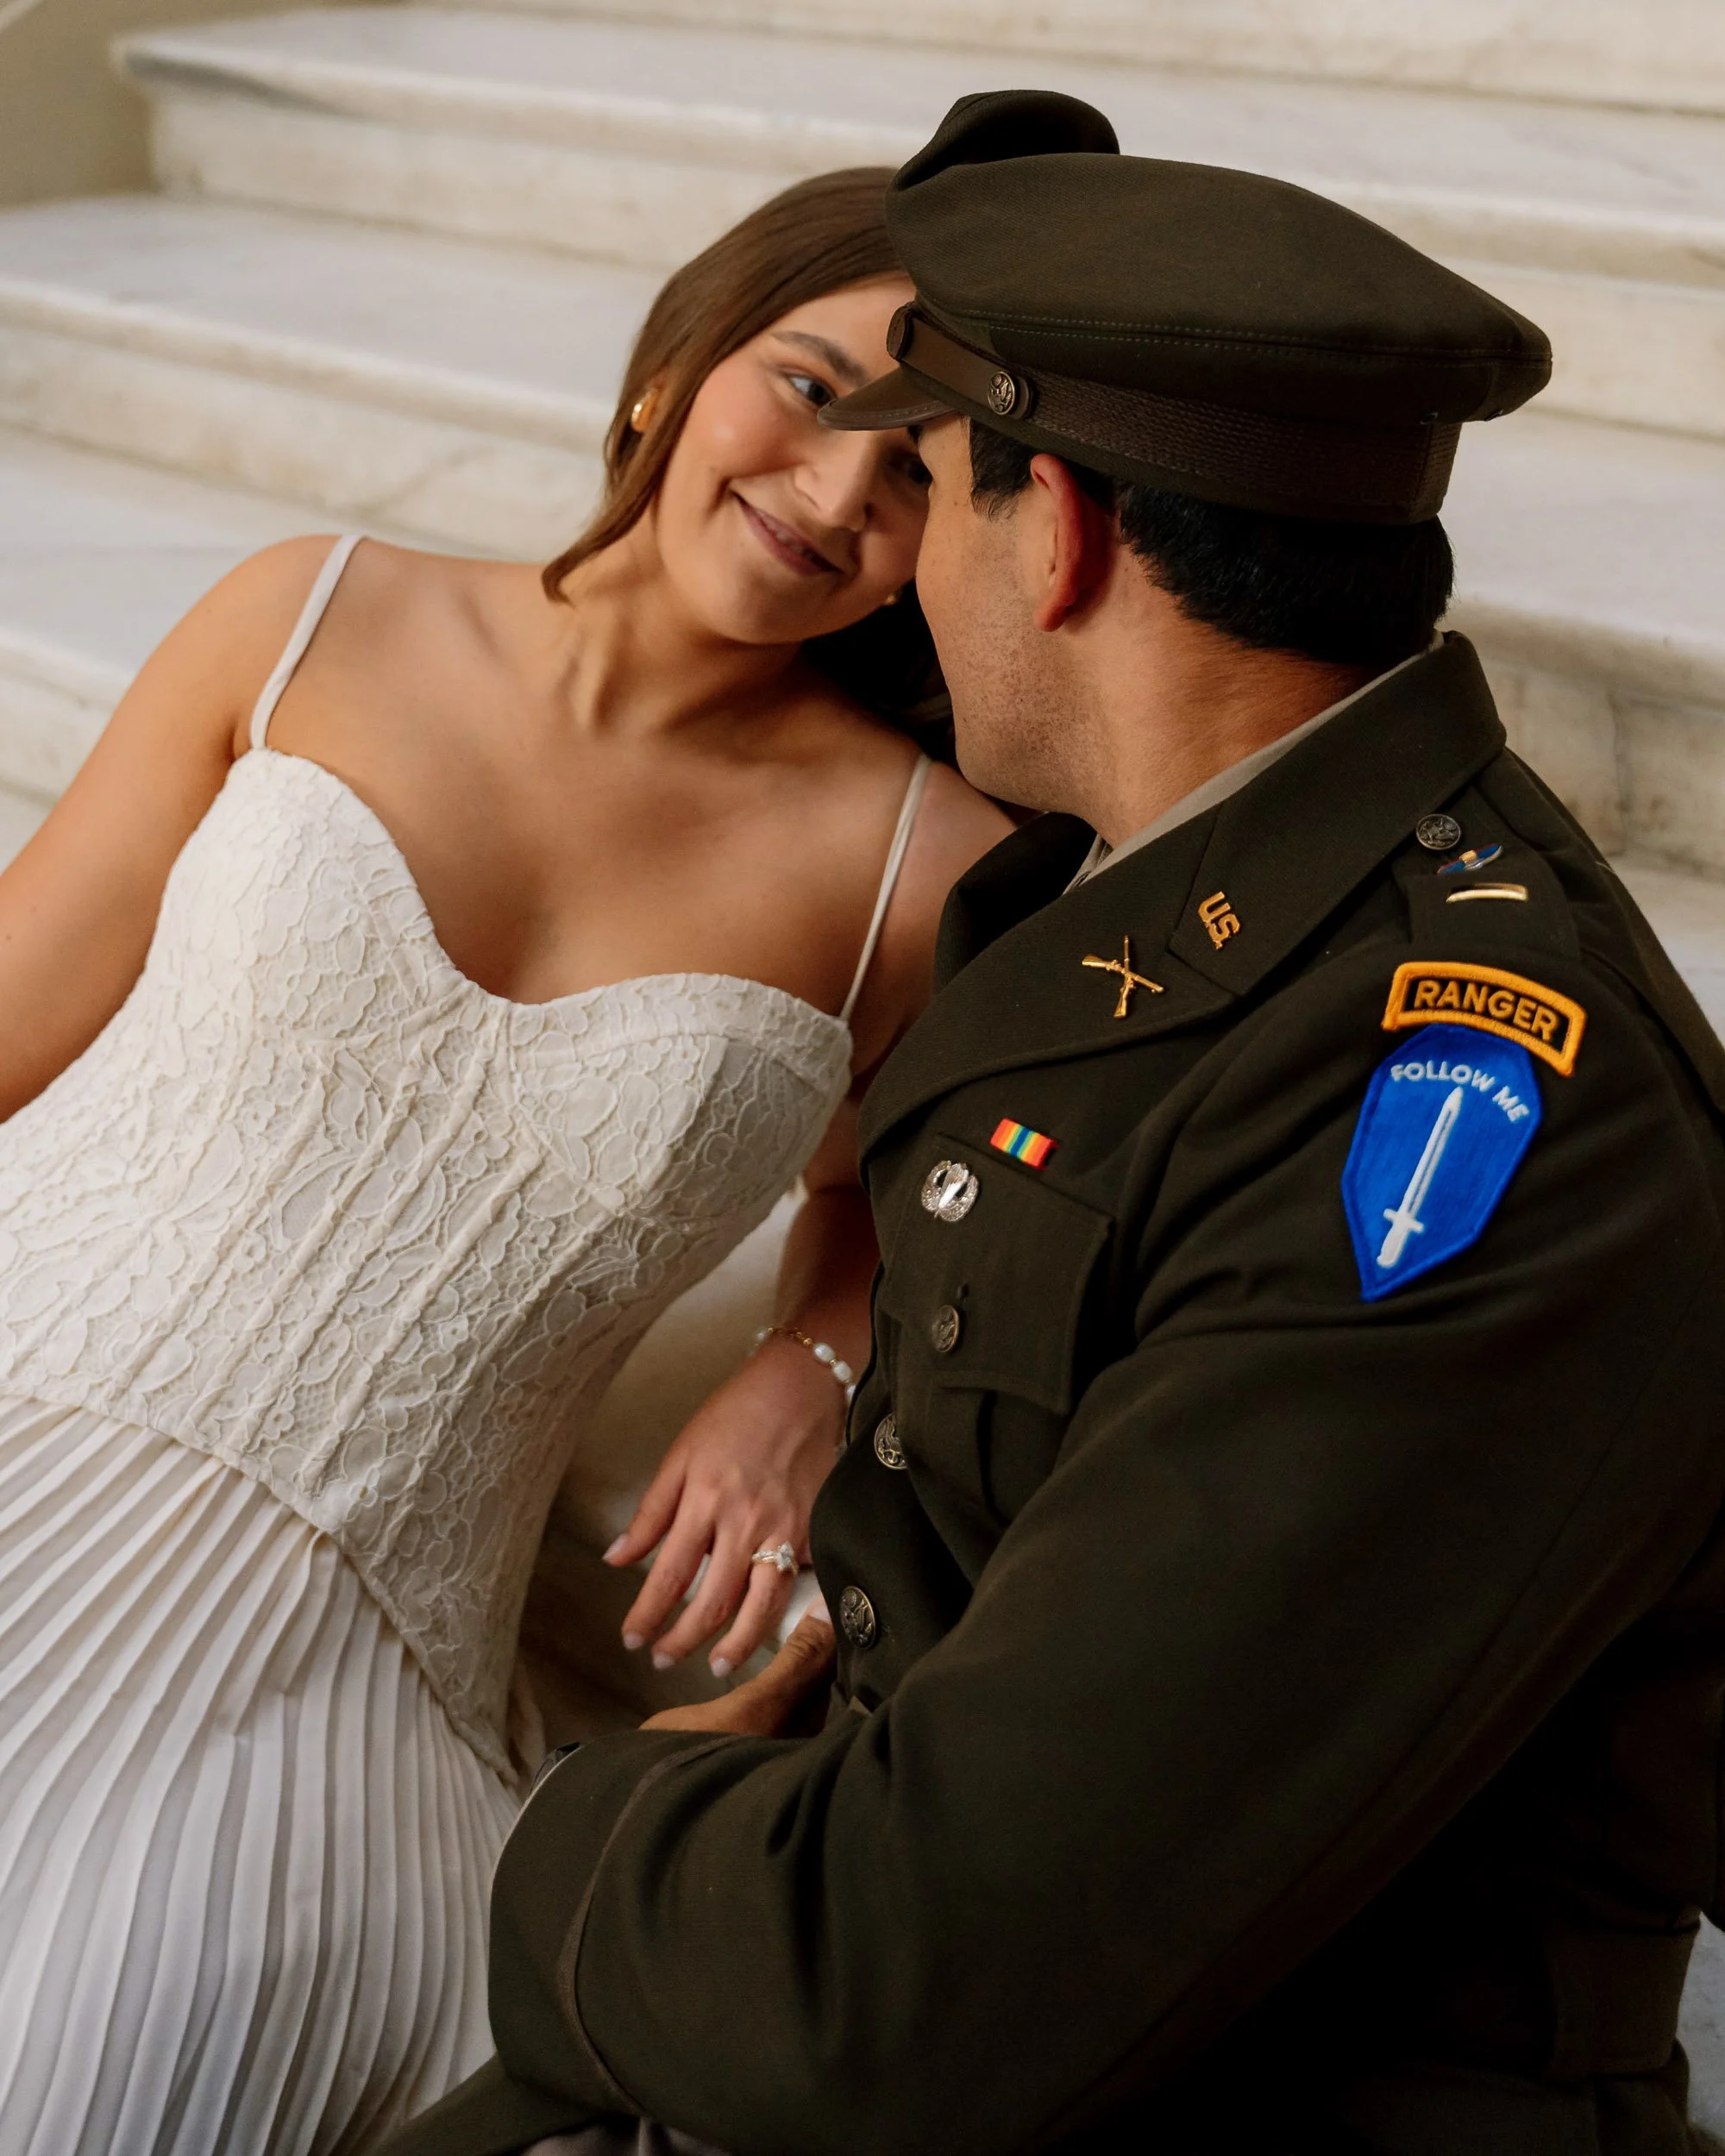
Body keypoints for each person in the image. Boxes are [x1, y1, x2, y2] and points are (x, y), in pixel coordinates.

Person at [382, 91, 1725, 2156]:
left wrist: (592, 1828)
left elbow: (895, 2000)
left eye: (933, 489)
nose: (901, 564)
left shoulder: (1475, 1107)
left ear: (1066, 534)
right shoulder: (1165, 901)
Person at [0, 166, 1010, 2155]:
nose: (831, 499)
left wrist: (804, 1368)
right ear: (675, 368)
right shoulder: (310, 610)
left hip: (325, 1651)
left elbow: (922, 1207)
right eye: (806, 391)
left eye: (916, 484)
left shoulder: (918, 866)